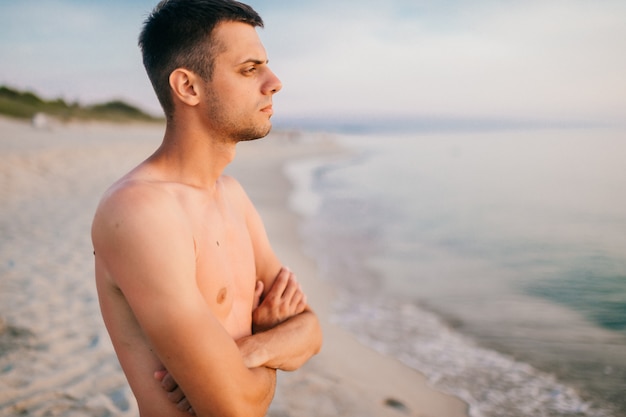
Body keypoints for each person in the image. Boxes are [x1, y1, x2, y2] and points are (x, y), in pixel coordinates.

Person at [91, 1, 323, 416]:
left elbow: (311, 330)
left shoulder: (231, 195)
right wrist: (275, 344)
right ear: (189, 88)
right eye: (250, 69)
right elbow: (236, 409)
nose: (275, 82)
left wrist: (254, 348)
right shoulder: (141, 210)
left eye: (266, 66)